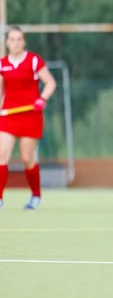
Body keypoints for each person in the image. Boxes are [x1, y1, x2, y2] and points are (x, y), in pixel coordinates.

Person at [0, 26, 57, 210]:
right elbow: (1, 92)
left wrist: (42, 98)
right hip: (8, 115)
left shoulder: (33, 61)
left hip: (30, 116)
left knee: (27, 159)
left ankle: (36, 196)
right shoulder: (2, 64)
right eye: (12, 39)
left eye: (19, 39)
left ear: (24, 42)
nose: (15, 43)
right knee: (2, 156)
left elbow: (50, 83)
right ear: (7, 42)